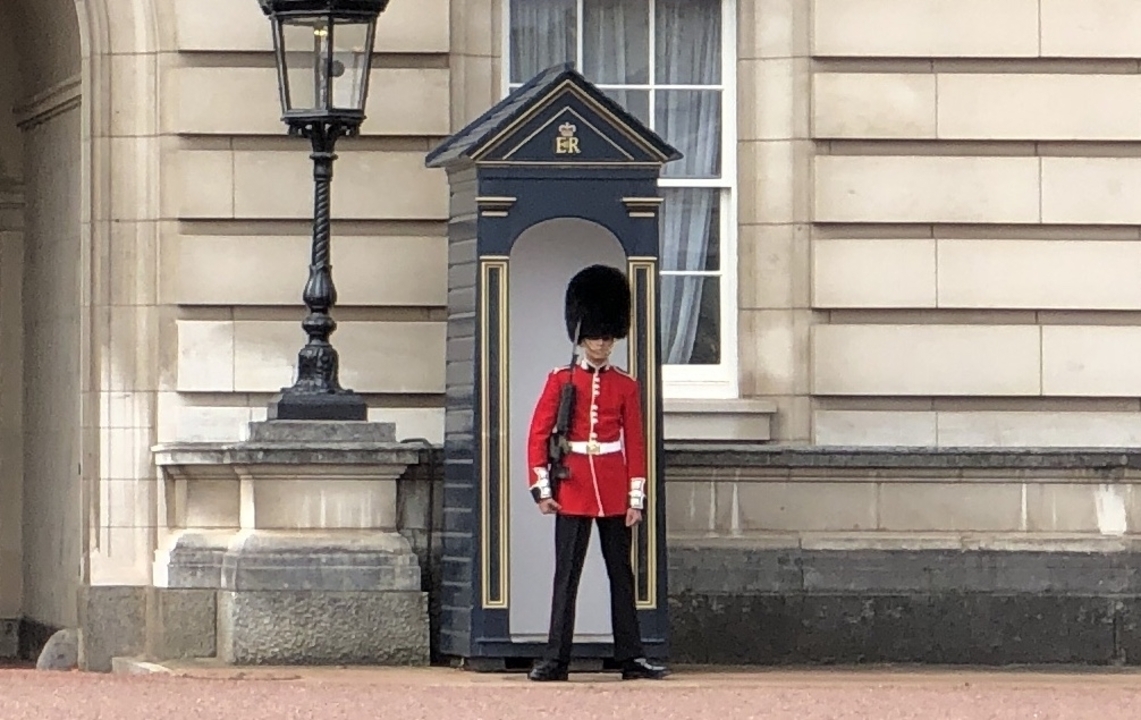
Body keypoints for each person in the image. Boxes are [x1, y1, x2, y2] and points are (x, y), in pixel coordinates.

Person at [524, 263, 669, 682]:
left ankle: (631, 656)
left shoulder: (626, 385)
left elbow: (635, 443)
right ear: (581, 336)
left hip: (612, 484)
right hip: (572, 485)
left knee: (621, 576)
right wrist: (542, 487)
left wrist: (635, 498)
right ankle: (556, 659)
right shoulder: (560, 380)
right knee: (566, 577)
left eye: (606, 338)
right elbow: (538, 435)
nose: (601, 345)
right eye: (594, 337)